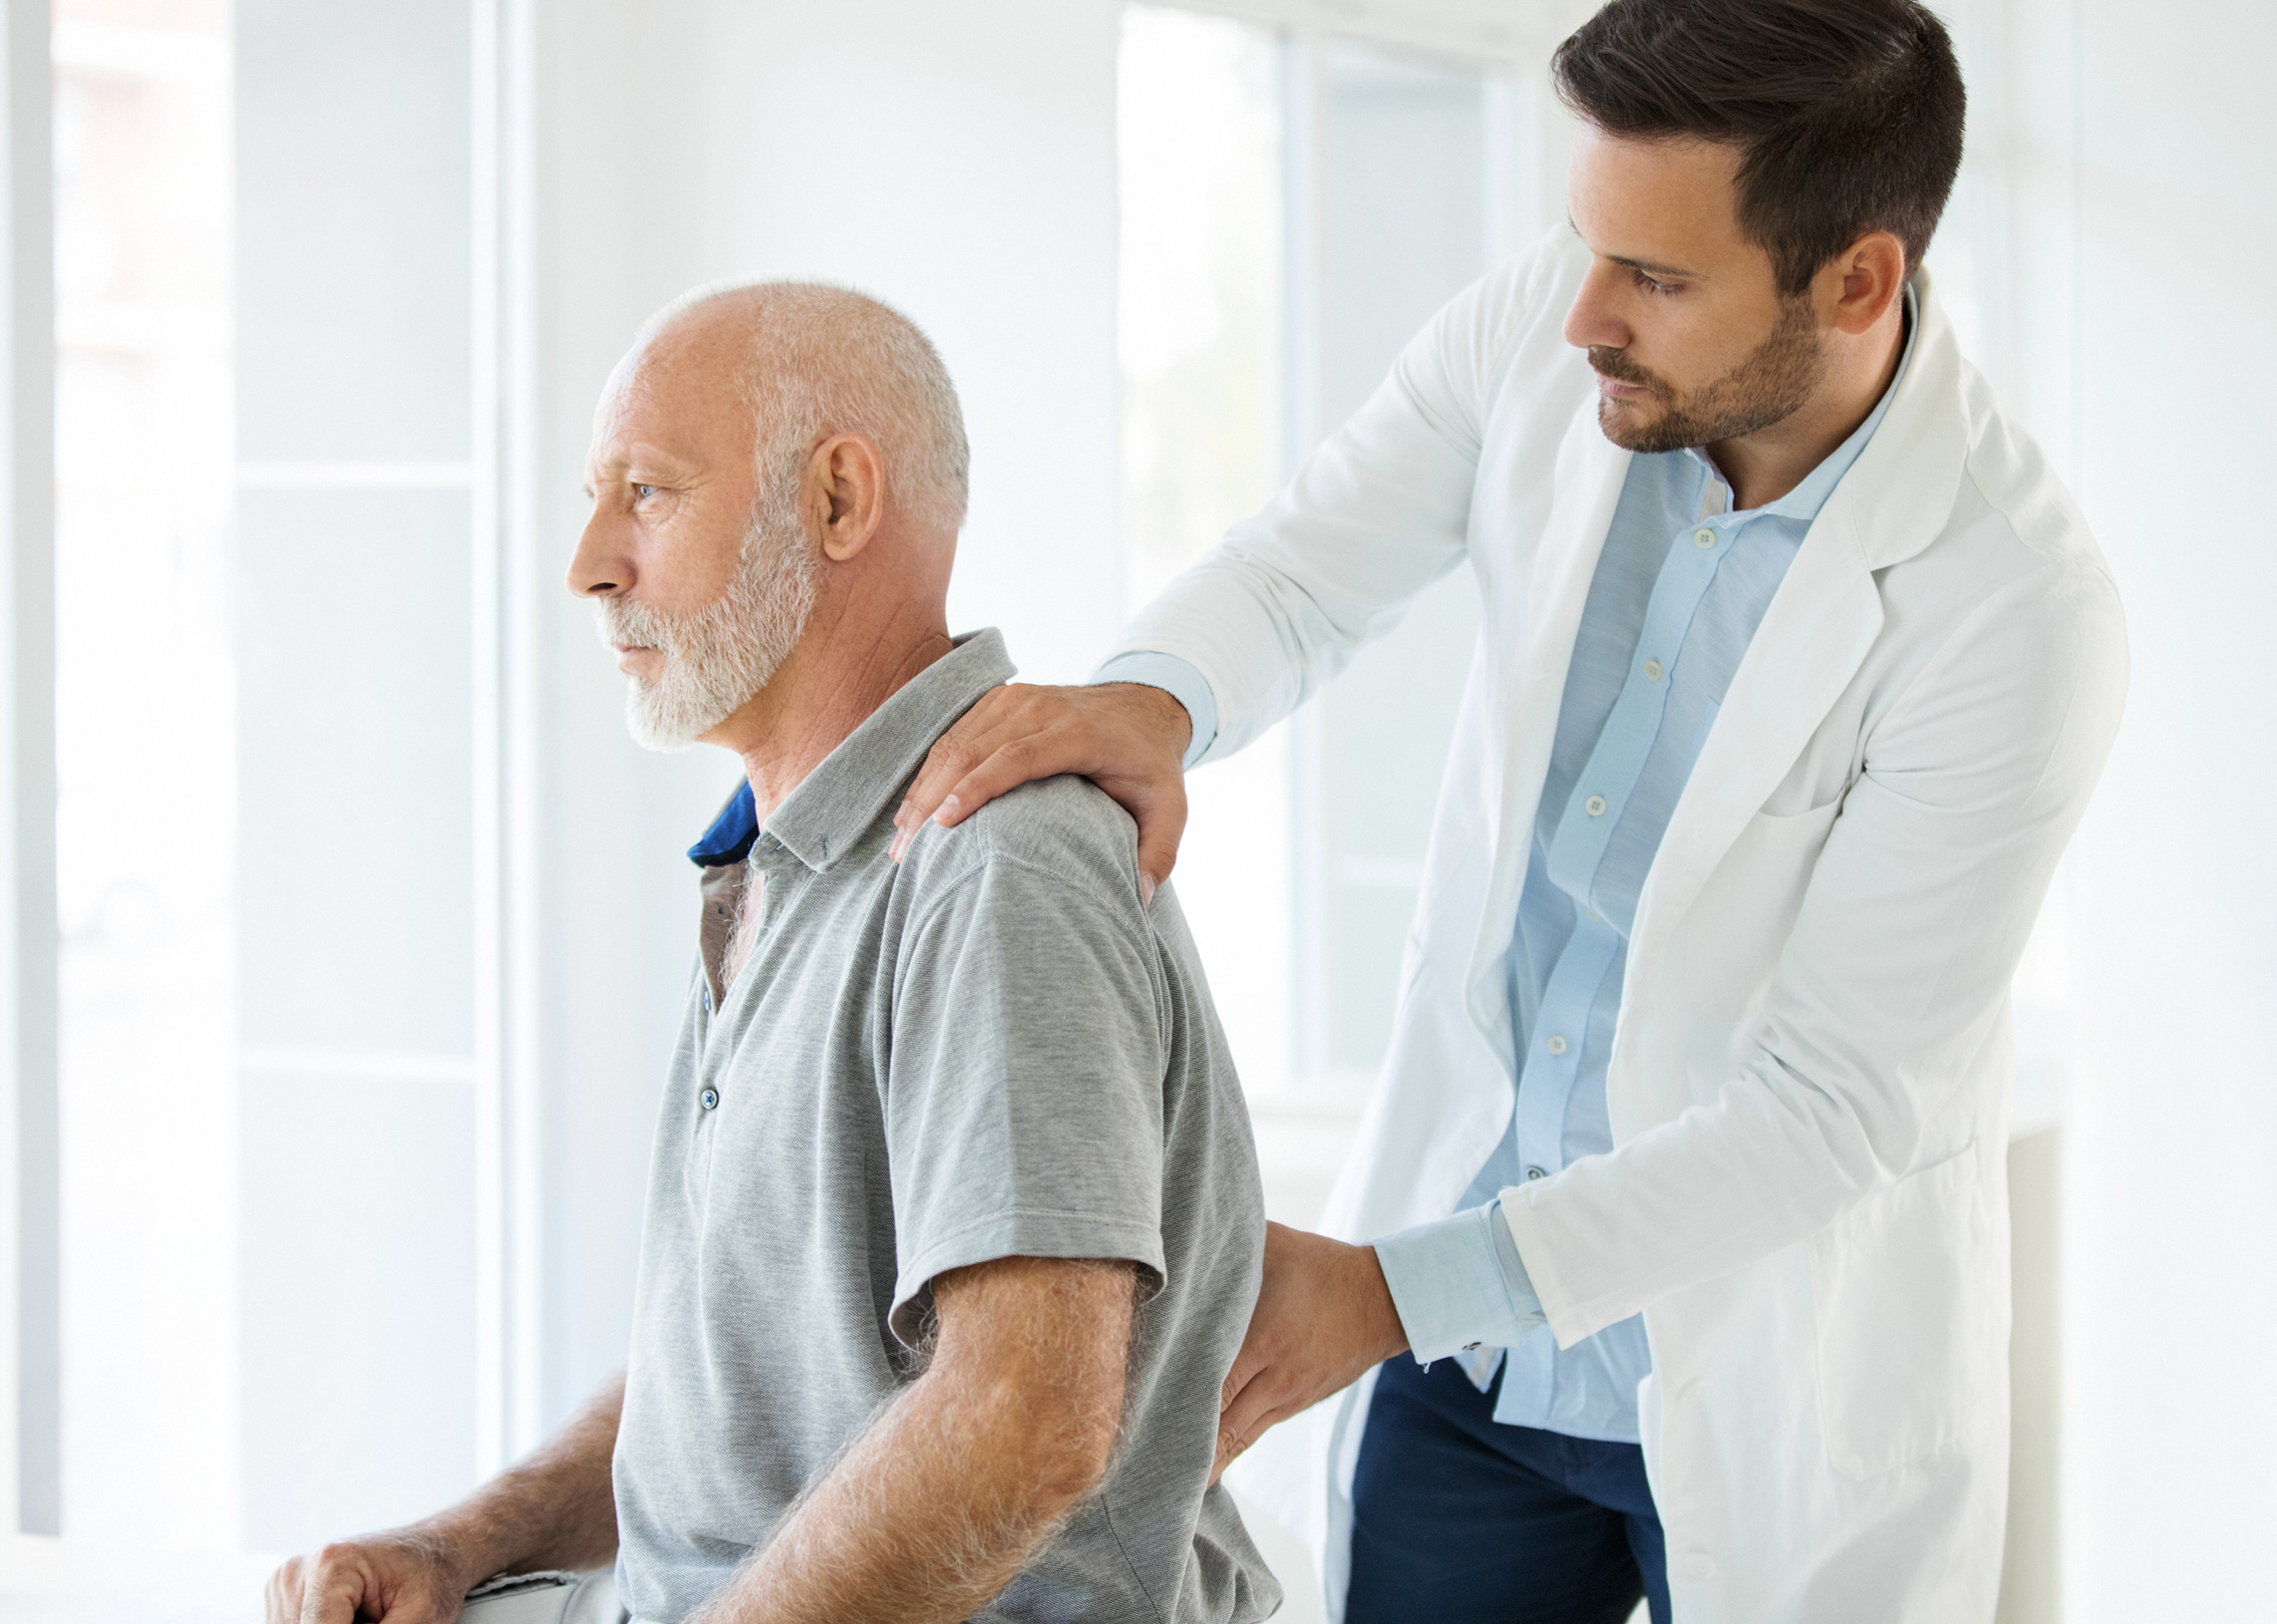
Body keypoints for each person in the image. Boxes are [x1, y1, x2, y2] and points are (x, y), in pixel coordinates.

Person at [890, 1, 2127, 1619]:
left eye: (1658, 279)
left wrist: (1393, 1291)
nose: (1583, 315)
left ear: (1858, 281)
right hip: (1471, 1368)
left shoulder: (2011, 603)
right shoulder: (1563, 331)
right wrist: (1154, 699)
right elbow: (1299, 571)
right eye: (1585, 243)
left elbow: (1830, 1104)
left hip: (1759, 1375)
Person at [263, 282, 1278, 1624]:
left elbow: (1024, 1420)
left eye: (647, 492)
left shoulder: (996, 862)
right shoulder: (786, 859)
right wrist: (461, 1546)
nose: (588, 560)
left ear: (839, 502)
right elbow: (749, 1388)